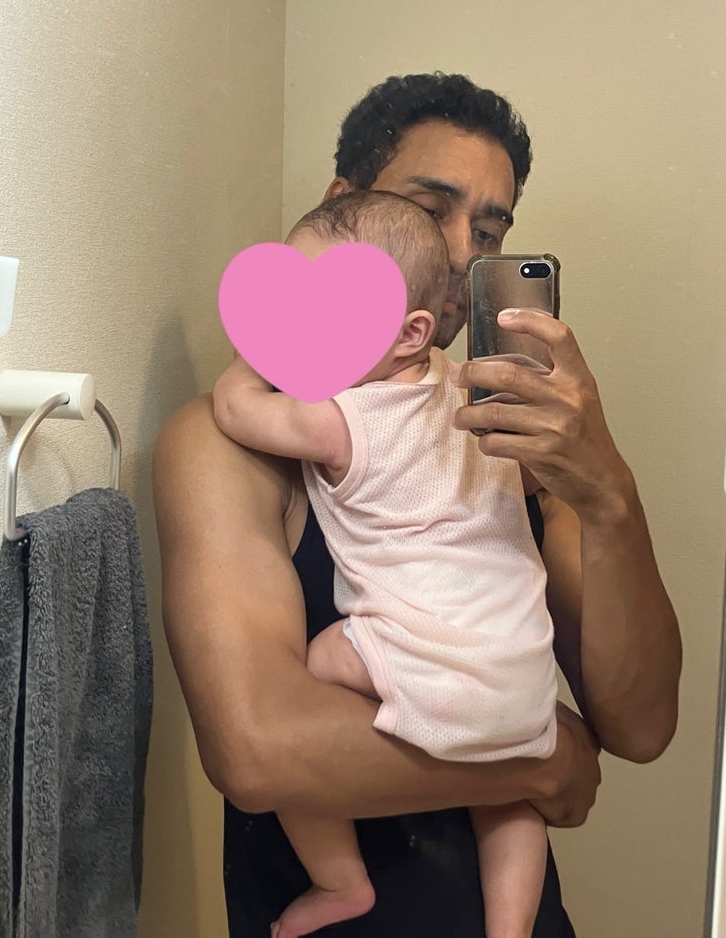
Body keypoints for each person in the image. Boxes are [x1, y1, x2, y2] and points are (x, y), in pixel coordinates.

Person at [153, 72, 682, 937]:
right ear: (341, 207)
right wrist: (535, 759)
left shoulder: (509, 439)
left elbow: (642, 723)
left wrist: (607, 491)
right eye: (430, 208)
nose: (461, 251)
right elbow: (259, 748)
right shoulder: (227, 445)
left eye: (489, 229)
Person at [213, 189, 560, 938]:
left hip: (424, 659)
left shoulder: (344, 420)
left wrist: (253, 347)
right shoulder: (477, 399)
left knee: (316, 665)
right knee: (509, 797)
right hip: (525, 673)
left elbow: (236, 408)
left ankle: (341, 881)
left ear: (409, 334)